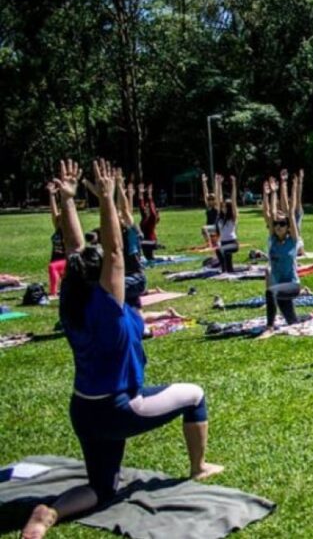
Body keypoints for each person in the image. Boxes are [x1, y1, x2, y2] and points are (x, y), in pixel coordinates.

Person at [20, 159, 221, 539]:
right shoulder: (105, 308)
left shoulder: (72, 300)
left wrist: (67, 201)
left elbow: (79, 252)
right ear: (103, 279)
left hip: (83, 408)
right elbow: (112, 252)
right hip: (120, 406)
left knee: (102, 488)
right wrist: (109, 198)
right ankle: (199, 467)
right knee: (195, 395)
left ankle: (48, 513)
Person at [258, 170, 302, 337]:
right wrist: (269, 193)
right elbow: (268, 213)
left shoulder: (293, 241)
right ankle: (309, 318)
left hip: (292, 285)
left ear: (288, 226)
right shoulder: (272, 241)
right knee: (292, 322)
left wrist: (285, 185)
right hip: (280, 287)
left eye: (282, 224)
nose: (278, 226)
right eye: (276, 224)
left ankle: (269, 328)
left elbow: (291, 213)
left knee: (270, 292)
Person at [115, 171, 146, 309]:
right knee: (136, 315)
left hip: (135, 278)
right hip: (125, 277)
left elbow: (125, 209)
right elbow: (116, 209)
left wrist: (119, 186)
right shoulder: (118, 232)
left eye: (122, 217)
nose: (119, 218)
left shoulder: (132, 231)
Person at [213, 174, 240, 274]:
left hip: (233, 243)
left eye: (225, 206)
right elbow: (217, 198)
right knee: (230, 269)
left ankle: (223, 271)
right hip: (224, 242)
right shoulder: (220, 216)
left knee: (219, 250)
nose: (223, 207)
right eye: (222, 206)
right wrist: (218, 184)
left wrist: (234, 184)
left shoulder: (233, 217)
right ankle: (227, 270)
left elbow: (234, 200)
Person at [46, 182, 67, 297]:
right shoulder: (58, 228)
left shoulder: (69, 231)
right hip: (55, 259)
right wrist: (52, 195)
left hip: (66, 260)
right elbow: (54, 213)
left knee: (52, 267)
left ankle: (53, 293)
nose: (59, 219)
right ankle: (57, 291)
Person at [137, 183, 159, 261]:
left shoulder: (152, 218)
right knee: (147, 258)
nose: (145, 208)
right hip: (144, 241)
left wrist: (150, 196)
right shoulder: (145, 217)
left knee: (150, 258)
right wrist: (140, 193)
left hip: (151, 241)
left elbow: (152, 210)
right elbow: (141, 206)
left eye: (147, 207)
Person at [200, 173, 219, 247]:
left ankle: (209, 243)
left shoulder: (216, 207)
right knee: (204, 229)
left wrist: (217, 182)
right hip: (209, 228)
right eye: (209, 199)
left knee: (203, 228)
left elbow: (217, 194)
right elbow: (205, 193)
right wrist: (204, 182)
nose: (210, 200)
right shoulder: (208, 207)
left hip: (216, 227)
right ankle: (210, 242)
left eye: (212, 199)